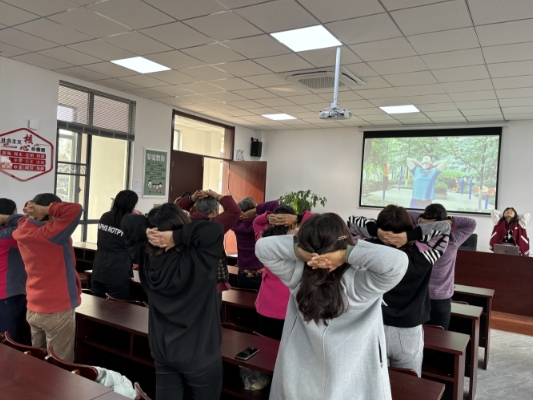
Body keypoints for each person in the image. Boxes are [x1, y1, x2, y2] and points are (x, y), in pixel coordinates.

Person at [255, 213, 408, 400]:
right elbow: (398, 262)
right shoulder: (360, 284)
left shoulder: (297, 276)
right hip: (353, 385)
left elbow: (263, 247)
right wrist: (346, 254)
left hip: (301, 380)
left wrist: (300, 253)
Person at [122, 203, 224, 400]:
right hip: (199, 354)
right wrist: (176, 237)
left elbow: (127, 221)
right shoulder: (199, 257)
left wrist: (146, 232)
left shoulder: (145, 256)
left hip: (163, 352)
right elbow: (215, 229)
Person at [348, 206, 450, 376]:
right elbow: (445, 227)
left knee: (376, 384)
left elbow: (352, 222)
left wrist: (377, 232)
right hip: (408, 330)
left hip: (374, 326)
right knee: (409, 385)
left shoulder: (369, 250)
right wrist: (409, 235)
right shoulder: (424, 253)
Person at [381, 204, 476, 330]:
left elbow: (404, 214)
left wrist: (422, 220)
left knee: (415, 331)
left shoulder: (416, 238)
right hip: (440, 297)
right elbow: (471, 223)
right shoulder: (453, 240)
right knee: (440, 336)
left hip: (415, 294)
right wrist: (449, 221)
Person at [13, 194, 82, 361]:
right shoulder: (51, 235)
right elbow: (75, 209)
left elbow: (24, 215)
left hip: (34, 307)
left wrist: (37, 210)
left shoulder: (23, 228)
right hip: (57, 309)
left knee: (39, 360)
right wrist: (45, 209)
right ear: (49, 213)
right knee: (60, 364)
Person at [177, 190, 240, 296]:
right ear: (214, 210)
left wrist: (191, 198)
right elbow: (235, 210)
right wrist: (217, 195)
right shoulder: (215, 225)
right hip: (210, 277)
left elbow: (175, 210)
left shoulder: (185, 222)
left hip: (187, 273)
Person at [91, 190, 139, 300]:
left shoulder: (105, 216)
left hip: (99, 268)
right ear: (131, 205)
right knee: (120, 308)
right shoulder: (130, 222)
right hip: (117, 272)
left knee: (97, 305)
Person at [232, 197, 279, 290]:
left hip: (243, 272)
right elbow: (275, 204)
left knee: (243, 297)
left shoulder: (236, 225)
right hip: (260, 271)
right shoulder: (260, 224)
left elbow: (229, 213)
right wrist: (256, 210)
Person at [0, 198, 27, 342]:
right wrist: (8, 218)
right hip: (8, 295)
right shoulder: (9, 236)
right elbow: (27, 224)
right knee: (10, 341)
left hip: (8, 294)